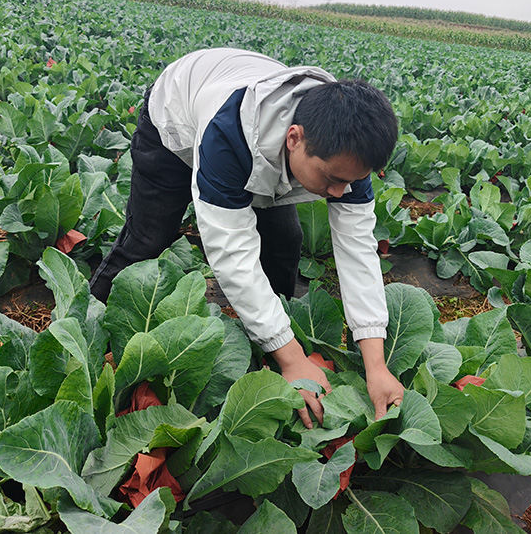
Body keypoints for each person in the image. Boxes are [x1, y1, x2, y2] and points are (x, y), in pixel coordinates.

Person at [90, 47, 403, 428]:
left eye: (351, 181)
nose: (340, 192)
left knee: (284, 243)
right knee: (147, 240)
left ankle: (270, 343)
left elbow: (358, 252)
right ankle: (89, 328)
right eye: (333, 180)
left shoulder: (345, 154)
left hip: (257, 129)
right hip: (178, 119)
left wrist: (376, 364)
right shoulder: (226, 138)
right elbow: (232, 254)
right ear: (294, 138)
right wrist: (294, 360)